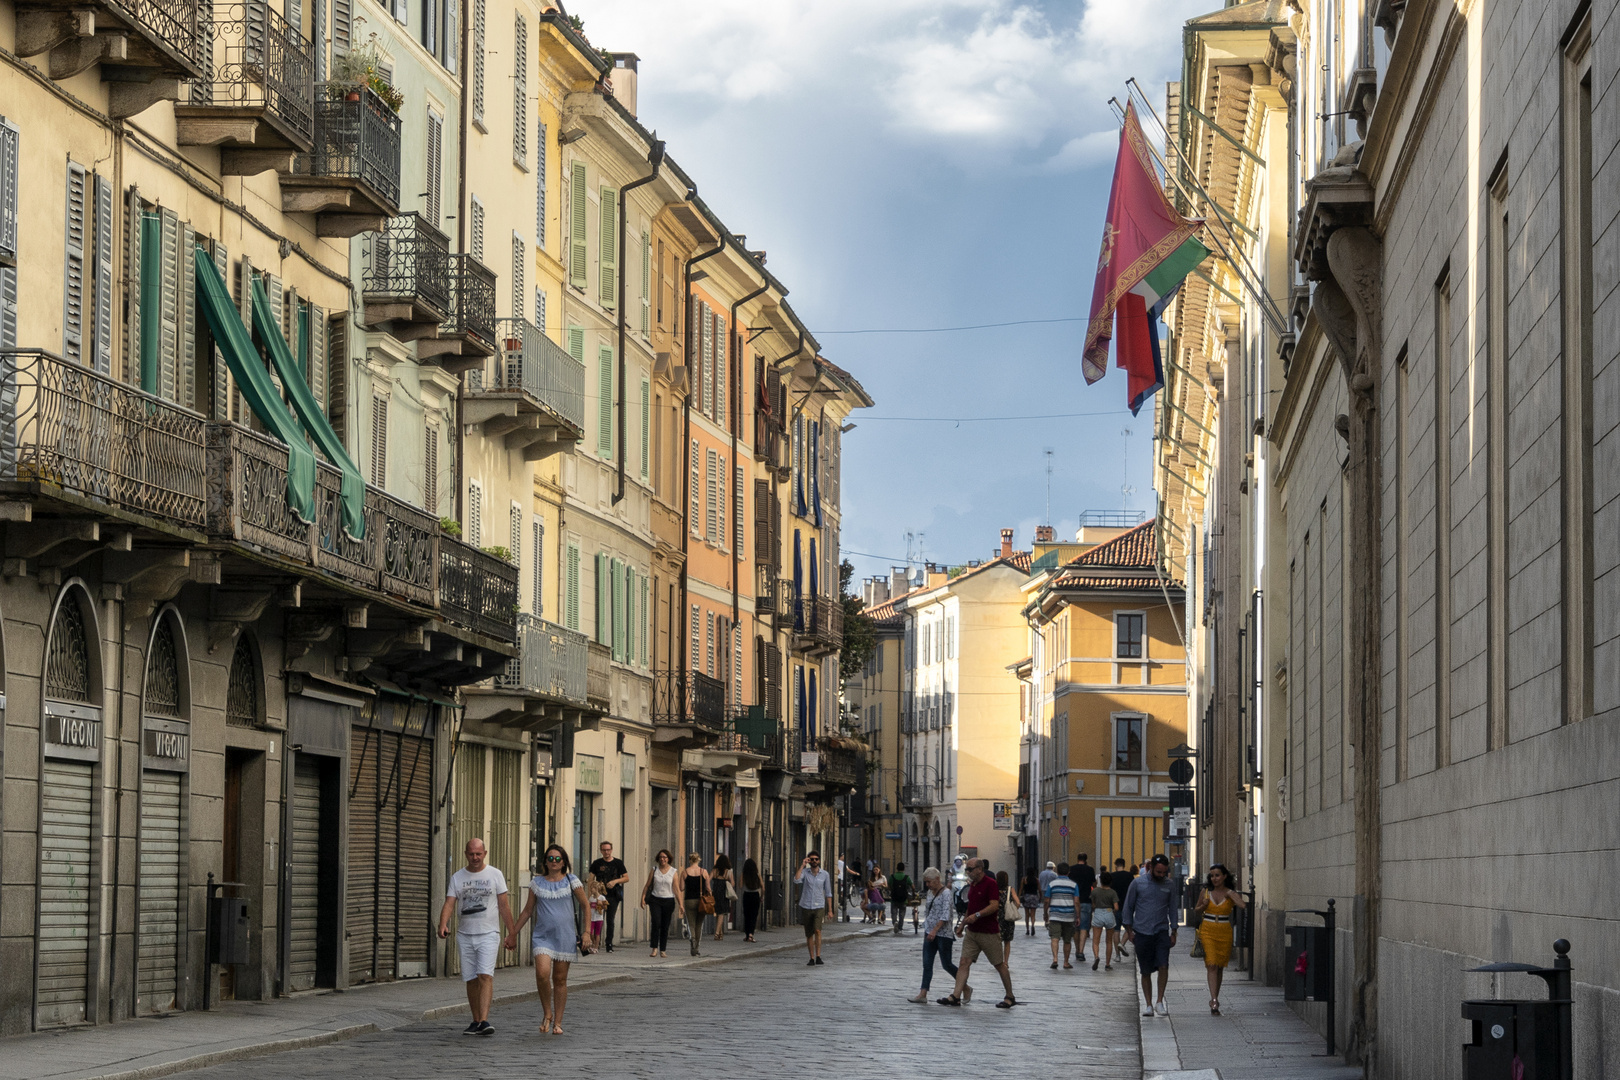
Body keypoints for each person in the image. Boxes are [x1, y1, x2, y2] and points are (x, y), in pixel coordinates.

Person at [507, 844, 592, 1035]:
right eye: (550, 858)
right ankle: (547, 1012)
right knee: (542, 973)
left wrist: (586, 933)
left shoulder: (572, 881)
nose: (554, 862)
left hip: (565, 936)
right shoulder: (537, 883)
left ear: (564, 862)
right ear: (545, 861)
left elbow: (586, 906)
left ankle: (558, 1022)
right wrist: (513, 933)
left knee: (560, 979)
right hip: (543, 937)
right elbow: (528, 911)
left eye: (557, 858)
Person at [438, 838, 515, 1036]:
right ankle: (475, 1020)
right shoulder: (457, 877)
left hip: (489, 933)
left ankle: (484, 1020)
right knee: (471, 979)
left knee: (485, 975)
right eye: (471, 854)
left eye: (478, 854)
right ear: (466, 854)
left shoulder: (495, 874)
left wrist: (511, 933)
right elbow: (449, 903)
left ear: (485, 853)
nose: (475, 858)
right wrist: (443, 924)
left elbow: (504, 906)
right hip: (465, 934)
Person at [938, 858, 1016, 1008]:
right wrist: (962, 924)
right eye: (967, 869)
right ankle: (955, 996)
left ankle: (1010, 996)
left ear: (980, 869)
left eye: (970, 869)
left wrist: (977, 916)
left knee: (999, 965)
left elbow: (994, 906)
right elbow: (971, 907)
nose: (967, 872)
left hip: (989, 932)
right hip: (972, 933)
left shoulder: (991, 883)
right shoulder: (972, 885)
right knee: (963, 962)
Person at [1122, 854, 1179, 1017]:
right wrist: (1129, 930)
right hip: (1142, 932)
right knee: (1145, 970)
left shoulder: (1169, 885)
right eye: (1159, 872)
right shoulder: (1137, 883)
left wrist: (1174, 931)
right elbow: (1128, 907)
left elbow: (1173, 908)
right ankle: (1148, 1004)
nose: (1162, 875)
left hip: (1161, 931)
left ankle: (1159, 1001)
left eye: (1164, 872)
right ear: (1150, 868)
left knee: (1164, 965)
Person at [1193, 863, 1248, 1015]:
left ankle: (1215, 996)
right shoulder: (1205, 892)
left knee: (1220, 965)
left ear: (1224, 876)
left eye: (1217, 875)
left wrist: (1232, 895)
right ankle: (1214, 1000)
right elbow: (1196, 910)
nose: (1214, 878)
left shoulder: (1230, 893)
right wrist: (1203, 906)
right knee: (1211, 964)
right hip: (1208, 929)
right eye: (1212, 875)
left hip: (1224, 930)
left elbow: (1243, 905)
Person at [909, 867, 965, 1003]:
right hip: (929, 932)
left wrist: (935, 930)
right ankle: (923, 993)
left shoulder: (946, 893)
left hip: (943, 934)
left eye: (929, 882)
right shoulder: (930, 893)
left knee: (947, 964)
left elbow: (946, 914)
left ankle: (965, 986)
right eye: (926, 882)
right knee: (927, 964)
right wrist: (928, 928)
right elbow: (929, 911)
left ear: (937, 879)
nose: (927, 885)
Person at [586, 841, 629, 953]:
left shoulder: (618, 863)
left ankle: (608, 943)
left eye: (608, 850)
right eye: (604, 850)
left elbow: (626, 878)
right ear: (601, 851)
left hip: (613, 896)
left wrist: (615, 881)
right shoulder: (597, 863)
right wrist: (589, 894)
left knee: (610, 919)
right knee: (597, 919)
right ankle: (595, 943)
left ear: (611, 850)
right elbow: (591, 878)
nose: (606, 852)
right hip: (599, 896)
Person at [794, 851, 834, 965]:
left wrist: (830, 910)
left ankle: (818, 956)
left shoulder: (825, 874)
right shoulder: (805, 873)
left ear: (819, 861)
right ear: (809, 860)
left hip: (819, 906)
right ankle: (811, 957)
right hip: (806, 905)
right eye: (811, 859)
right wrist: (802, 865)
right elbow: (796, 880)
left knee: (817, 930)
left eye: (816, 859)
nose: (814, 861)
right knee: (809, 933)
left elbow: (828, 893)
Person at [639, 849, 678, 958]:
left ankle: (663, 950)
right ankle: (654, 948)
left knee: (665, 926)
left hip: (669, 900)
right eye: (661, 857)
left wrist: (681, 905)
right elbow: (647, 885)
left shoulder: (673, 872)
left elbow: (676, 889)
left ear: (669, 858)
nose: (662, 859)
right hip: (655, 899)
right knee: (656, 923)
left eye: (665, 857)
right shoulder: (654, 870)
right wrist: (642, 898)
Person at [1043, 860, 1079, 970]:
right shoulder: (1074, 885)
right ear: (1068, 872)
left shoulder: (1052, 884)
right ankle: (1066, 962)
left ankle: (1055, 959)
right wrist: (1078, 916)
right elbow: (1076, 902)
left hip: (1055, 915)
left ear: (1057, 872)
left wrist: (1046, 914)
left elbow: (1046, 901)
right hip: (1069, 916)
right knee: (1067, 940)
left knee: (1055, 938)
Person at [680, 853, 712, 956]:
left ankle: (692, 939)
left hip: (689, 900)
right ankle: (696, 948)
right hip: (701, 901)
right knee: (699, 924)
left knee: (691, 924)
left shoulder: (685, 872)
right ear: (699, 860)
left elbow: (681, 888)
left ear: (689, 860)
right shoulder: (704, 872)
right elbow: (708, 888)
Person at [1088, 875, 1120, 970]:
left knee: (1096, 941)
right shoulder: (1112, 892)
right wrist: (1112, 912)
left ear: (1100, 881)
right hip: (1109, 913)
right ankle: (1107, 964)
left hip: (1098, 913)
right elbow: (1116, 907)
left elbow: (1092, 903)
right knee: (1109, 941)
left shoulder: (1095, 891)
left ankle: (1097, 956)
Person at [1070, 854, 1096, 963]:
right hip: (1086, 900)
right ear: (1086, 860)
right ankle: (1081, 951)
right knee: (1084, 927)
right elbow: (1094, 884)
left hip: (1073, 900)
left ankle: (1076, 949)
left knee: (1076, 927)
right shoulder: (1090, 870)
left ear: (1078, 859)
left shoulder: (1071, 869)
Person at [1108, 859, 1135, 958]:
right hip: (1127, 906)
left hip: (1114, 906)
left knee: (1116, 931)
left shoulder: (1111, 876)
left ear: (1115, 865)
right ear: (1124, 865)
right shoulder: (1129, 876)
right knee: (1130, 928)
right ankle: (1122, 943)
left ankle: (1117, 956)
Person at [996, 870, 1020, 962]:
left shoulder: (994, 889)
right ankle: (1006, 962)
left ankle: (998, 961)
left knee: (997, 941)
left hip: (997, 917)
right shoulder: (1010, 889)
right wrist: (1013, 909)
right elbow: (1018, 902)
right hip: (1008, 918)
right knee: (1007, 941)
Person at [710, 854, 734, 940]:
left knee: (718, 912)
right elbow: (733, 883)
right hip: (724, 893)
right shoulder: (728, 871)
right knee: (721, 913)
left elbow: (708, 880)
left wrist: (709, 890)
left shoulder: (714, 870)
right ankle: (717, 933)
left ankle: (720, 933)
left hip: (716, 892)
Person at [740, 857, 764, 942]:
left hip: (746, 895)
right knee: (754, 915)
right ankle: (751, 934)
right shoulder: (757, 874)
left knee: (747, 915)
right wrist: (762, 897)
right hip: (755, 895)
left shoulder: (744, 874)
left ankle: (747, 935)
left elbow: (740, 885)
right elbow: (763, 887)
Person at [888, 862, 913, 934]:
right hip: (903, 899)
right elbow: (913, 886)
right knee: (902, 914)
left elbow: (889, 886)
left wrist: (891, 891)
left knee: (894, 913)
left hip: (894, 898)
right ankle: (900, 927)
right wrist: (913, 894)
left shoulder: (892, 877)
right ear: (904, 868)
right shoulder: (906, 877)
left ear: (897, 868)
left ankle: (895, 922)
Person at [585, 875, 607, 946]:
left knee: (597, 933)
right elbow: (588, 906)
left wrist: (601, 904)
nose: (591, 890)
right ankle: (593, 943)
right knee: (591, 933)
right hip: (591, 918)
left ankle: (596, 947)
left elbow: (605, 907)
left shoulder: (602, 897)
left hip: (599, 918)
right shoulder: (591, 898)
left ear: (596, 888)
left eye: (592, 888)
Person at [1019, 871, 1039, 935]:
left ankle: (1027, 929)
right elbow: (1040, 889)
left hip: (1026, 897)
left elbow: (1021, 889)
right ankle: (1032, 925)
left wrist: (1018, 897)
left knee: (1027, 914)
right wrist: (1040, 896)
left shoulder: (1024, 880)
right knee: (1033, 914)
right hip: (1034, 897)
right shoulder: (1036, 880)